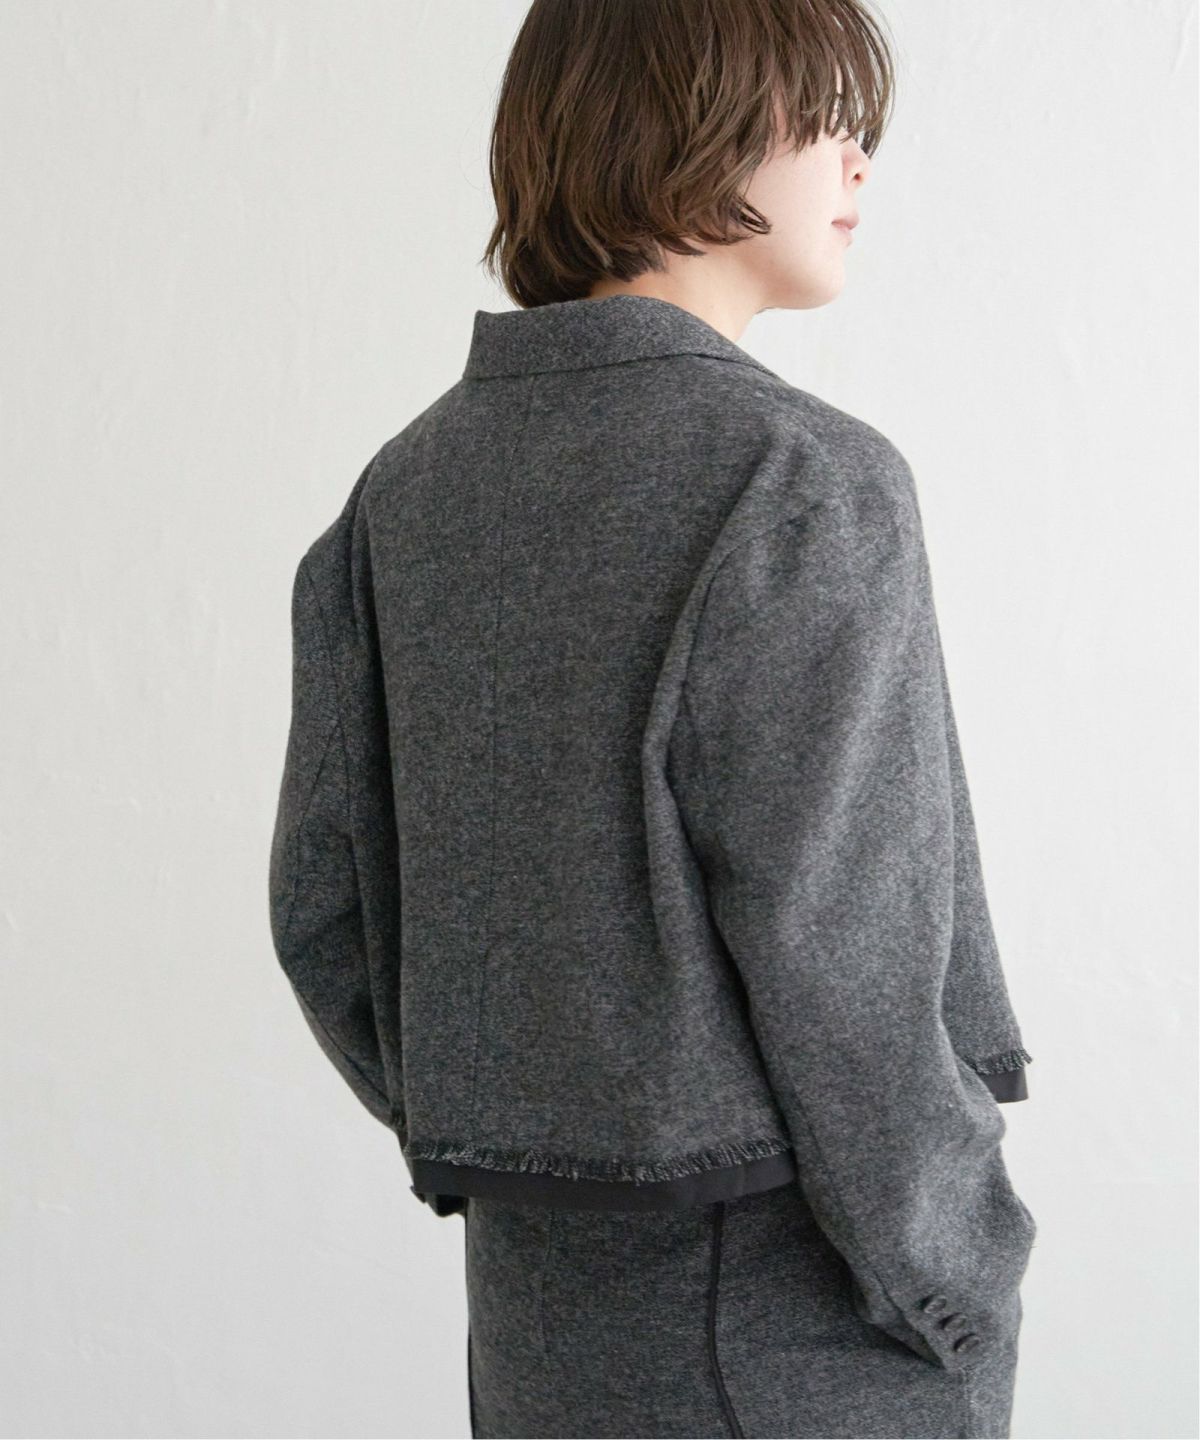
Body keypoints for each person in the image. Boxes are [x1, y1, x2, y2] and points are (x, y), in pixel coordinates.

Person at [268, 1, 1038, 1435]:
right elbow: (847, 955)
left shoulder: (400, 497)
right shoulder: (801, 482)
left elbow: (325, 914)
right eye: (823, 115)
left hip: (536, 1333)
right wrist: (962, 1281)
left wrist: (520, 1128)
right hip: (812, 1332)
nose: (859, 161)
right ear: (692, 129)